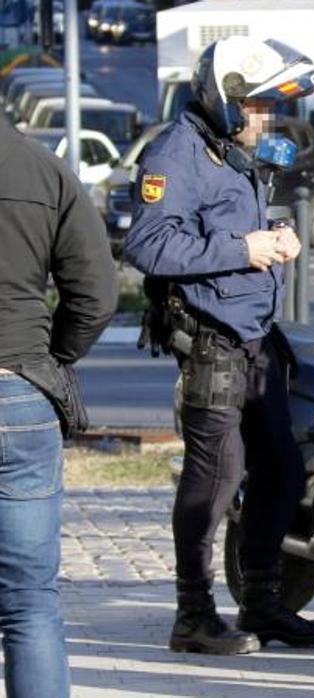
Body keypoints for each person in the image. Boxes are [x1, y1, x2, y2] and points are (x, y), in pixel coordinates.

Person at [123, 36, 314, 656]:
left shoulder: (229, 150)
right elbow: (148, 246)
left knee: (283, 468)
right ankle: (193, 614)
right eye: (262, 106)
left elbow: (226, 228)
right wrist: (245, 250)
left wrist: (272, 236)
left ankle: (263, 604)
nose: (268, 118)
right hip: (211, 339)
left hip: (254, 338)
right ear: (229, 98)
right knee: (217, 476)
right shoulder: (176, 153)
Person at [0, 118, 117, 698]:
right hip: (20, 390)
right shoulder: (45, 170)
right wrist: (53, 359)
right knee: (29, 603)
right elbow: (97, 292)